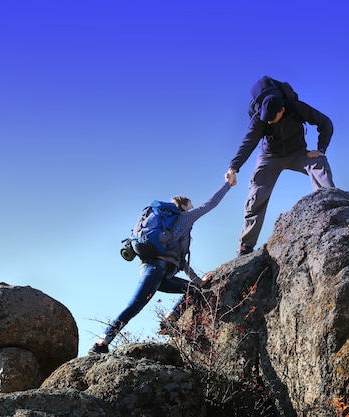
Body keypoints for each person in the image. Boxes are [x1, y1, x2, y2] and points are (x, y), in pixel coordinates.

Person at [88, 179, 234, 355]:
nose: (193, 208)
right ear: (185, 206)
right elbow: (210, 204)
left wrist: (197, 280)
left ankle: (169, 321)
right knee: (135, 304)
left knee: (194, 289)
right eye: (190, 205)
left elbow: (179, 259)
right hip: (156, 268)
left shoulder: (166, 223)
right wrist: (227, 184)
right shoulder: (185, 217)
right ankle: (101, 343)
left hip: (154, 269)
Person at [225, 80, 335, 256]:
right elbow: (248, 142)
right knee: (257, 195)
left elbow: (326, 123)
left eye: (272, 119)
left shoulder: (297, 108)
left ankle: (330, 206)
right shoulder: (260, 119)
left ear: (282, 111)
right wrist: (233, 168)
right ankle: (246, 246)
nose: (268, 123)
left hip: (297, 153)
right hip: (270, 157)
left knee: (319, 163)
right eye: (265, 119)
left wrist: (320, 149)